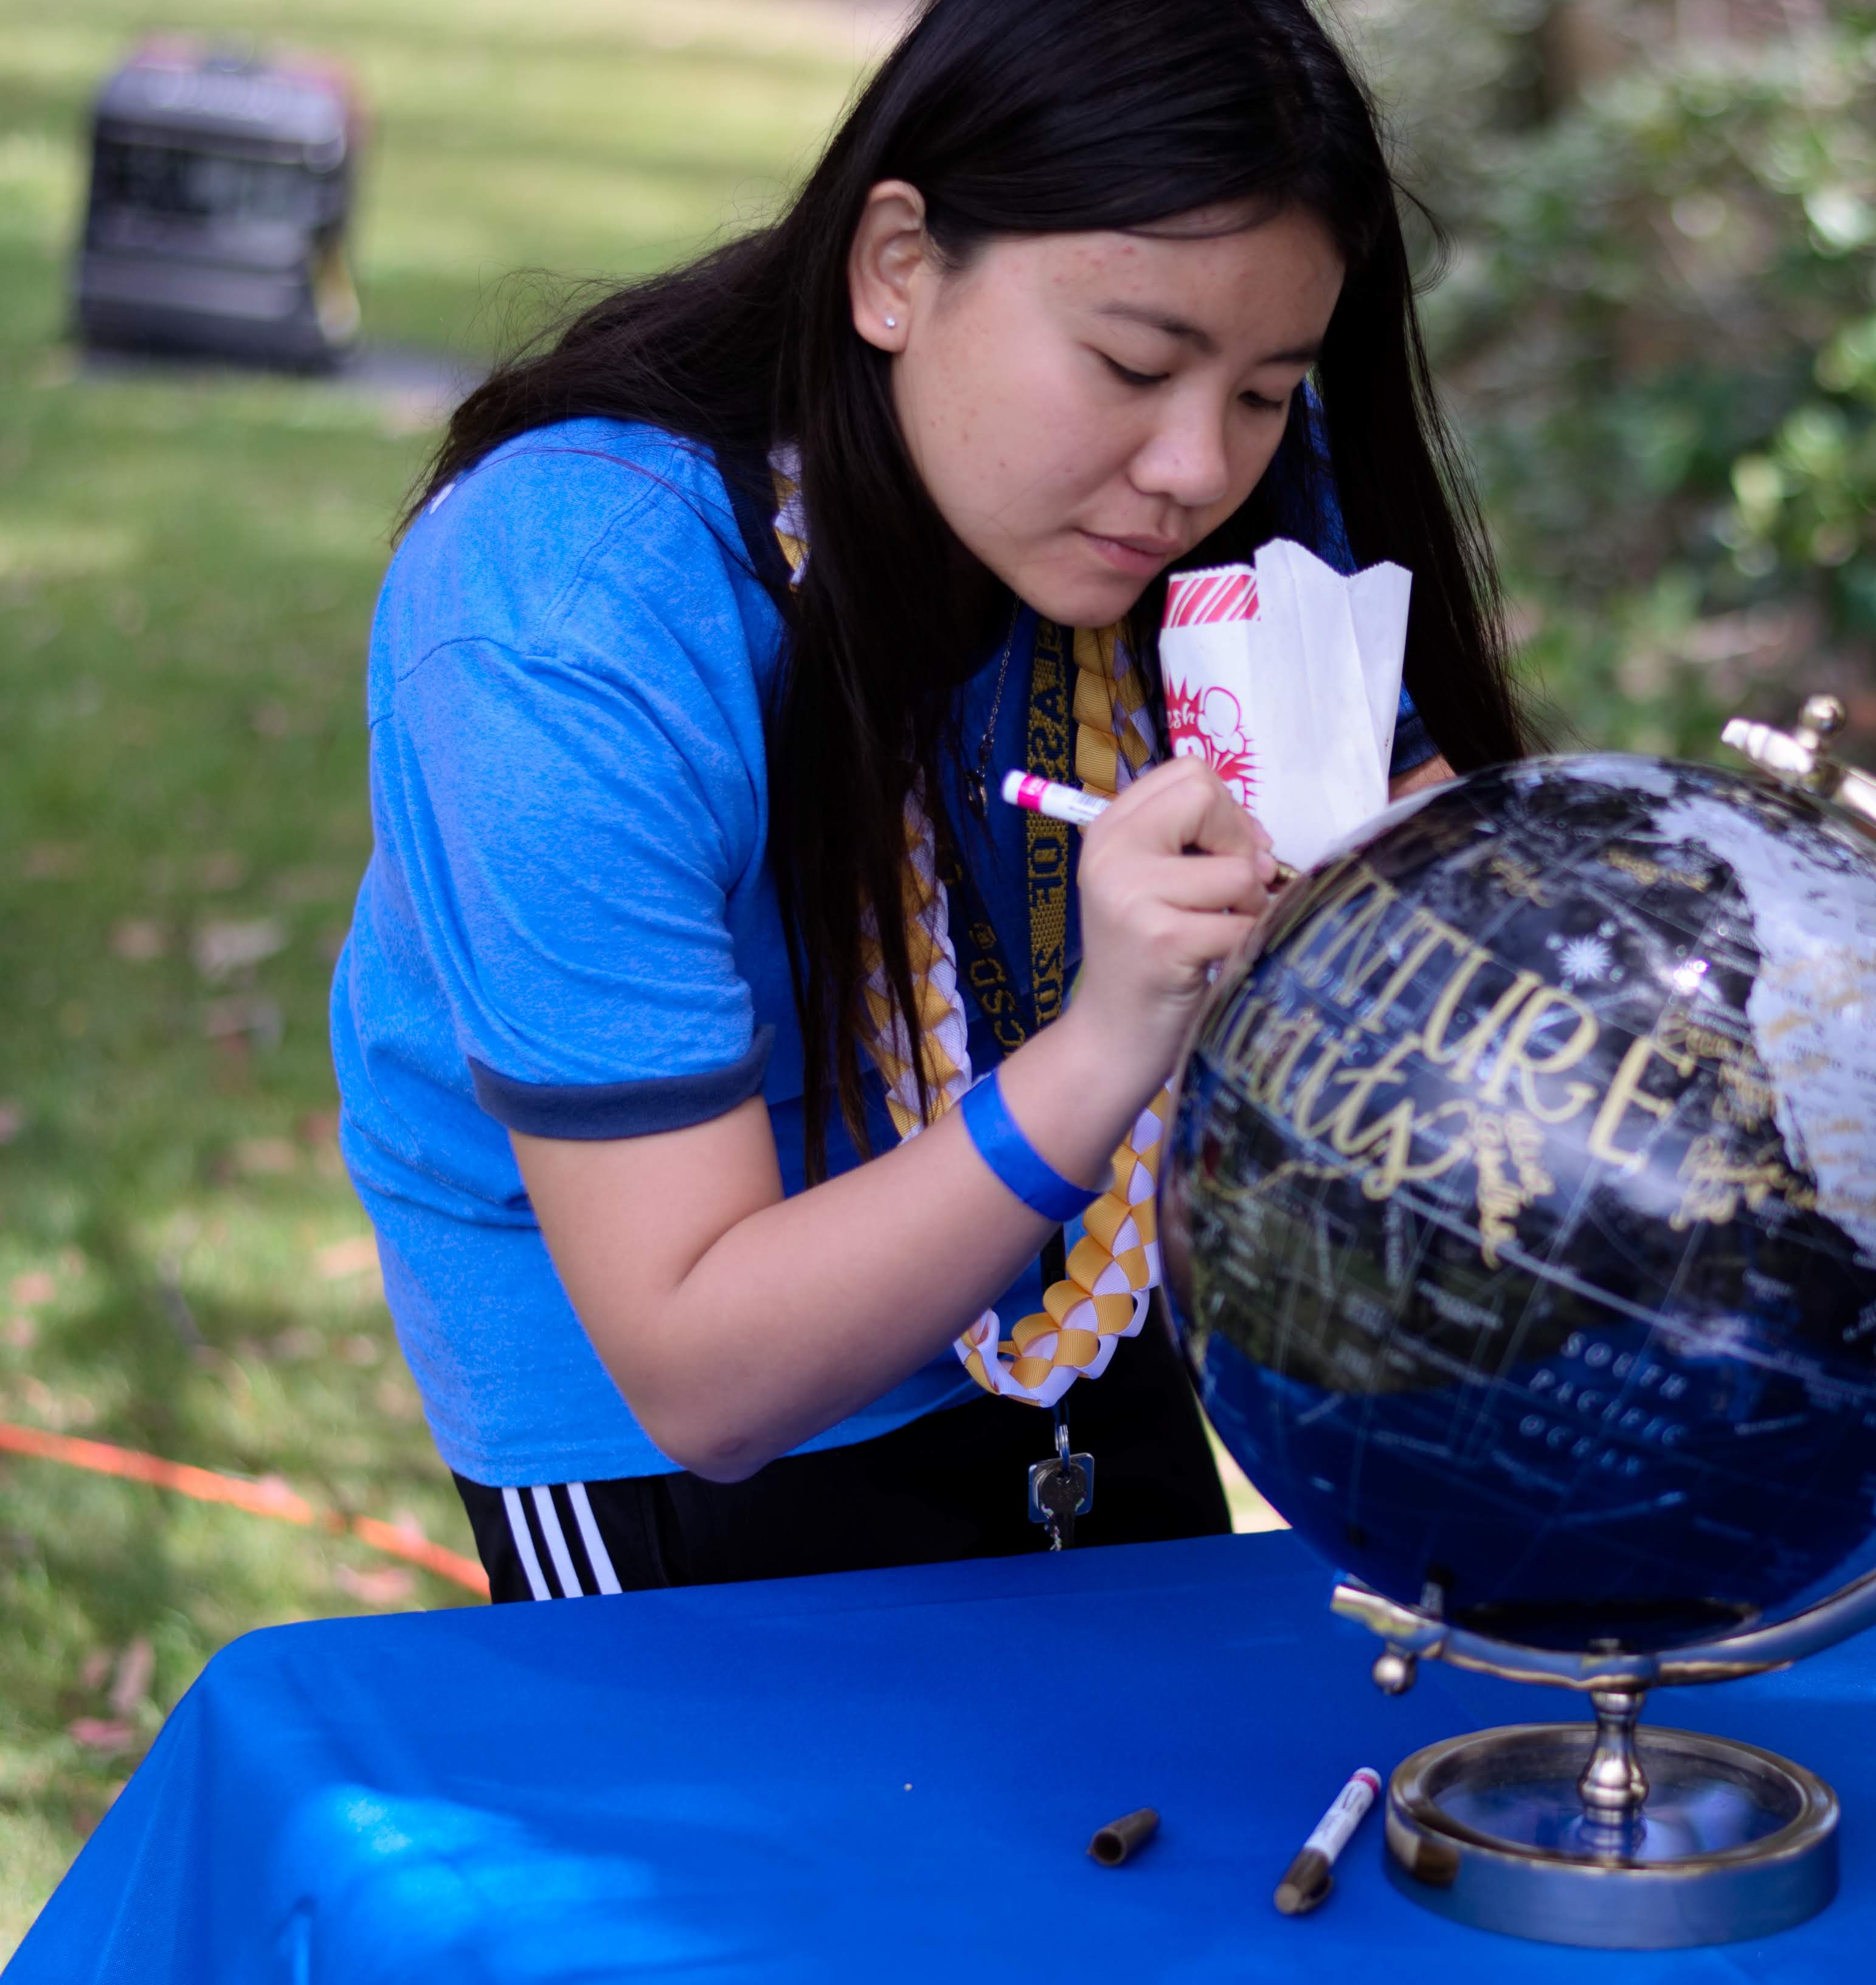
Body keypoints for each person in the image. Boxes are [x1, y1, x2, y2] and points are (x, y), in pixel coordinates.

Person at [330, 0, 1529, 1601]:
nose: (1195, 466)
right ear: (897, 266)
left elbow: (1441, 884)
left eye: (1264, 388)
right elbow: (705, 1378)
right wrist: (1114, 1039)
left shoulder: (1198, 474)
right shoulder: (562, 611)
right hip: (684, 1438)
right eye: (1132, 362)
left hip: (1069, 1319)